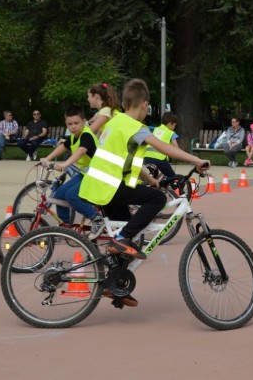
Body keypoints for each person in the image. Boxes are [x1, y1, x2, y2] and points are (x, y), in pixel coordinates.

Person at [79, 79, 209, 307]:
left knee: (130, 234)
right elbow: (163, 147)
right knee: (156, 201)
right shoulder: (134, 127)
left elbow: (127, 162)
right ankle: (121, 240)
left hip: (99, 185)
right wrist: (197, 160)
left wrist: (152, 180)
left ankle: (116, 285)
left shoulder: (116, 122)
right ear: (144, 104)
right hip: (109, 186)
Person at [40, 106, 104, 239]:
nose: (73, 126)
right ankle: (66, 227)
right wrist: (47, 158)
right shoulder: (74, 136)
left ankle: (97, 218)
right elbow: (63, 147)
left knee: (72, 195)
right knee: (59, 194)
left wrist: (65, 164)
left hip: (98, 174)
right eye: (70, 124)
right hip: (86, 174)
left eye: (76, 123)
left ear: (84, 121)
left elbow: (81, 151)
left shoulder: (86, 135)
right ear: (66, 124)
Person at [143, 110, 179, 178]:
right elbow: (177, 148)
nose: (174, 127)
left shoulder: (156, 129)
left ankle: (153, 186)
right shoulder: (170, 133)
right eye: (174, 125)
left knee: (154, 177)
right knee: (172, 177)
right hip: (159, 158)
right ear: (170, 123)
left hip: (147, 157)